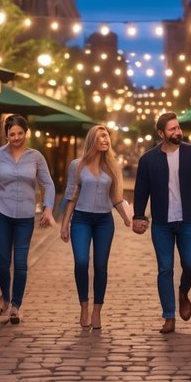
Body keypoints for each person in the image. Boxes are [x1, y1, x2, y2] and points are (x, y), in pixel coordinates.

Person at [132, 112, 191, 334]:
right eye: (172, 129)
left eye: (178, 127)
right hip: (161, 223)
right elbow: (141, 191)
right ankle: (169, 315)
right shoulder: (148, 159)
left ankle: (183, 292)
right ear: (161, 133)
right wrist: (138, 216)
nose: (177, 132)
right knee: (164, 268)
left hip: (188, 220)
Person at [0, 115, 57, 324]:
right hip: (1, 214)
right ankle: (5, 298)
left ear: (26, 133)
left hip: (25, 216)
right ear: (6, 134)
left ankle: (16, 306)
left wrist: (48, 208)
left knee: (21, 263)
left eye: (19, 133)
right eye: (12, 134)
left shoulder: (36, 157)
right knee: (3, 261)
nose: (16, 137)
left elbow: (48, 184)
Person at [59, 125, 133, 331]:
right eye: (101, 136)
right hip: (81, 220)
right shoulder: (77, 165)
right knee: (81, 262)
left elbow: (116, 198)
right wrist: (65, 225)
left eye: (107, 136)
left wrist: (127, 218)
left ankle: (97, 311)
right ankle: (84, 305)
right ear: (92, 139)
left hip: (104, 222)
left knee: (101, 266)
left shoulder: (111, 166)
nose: (105, 139)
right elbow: (71, 197)